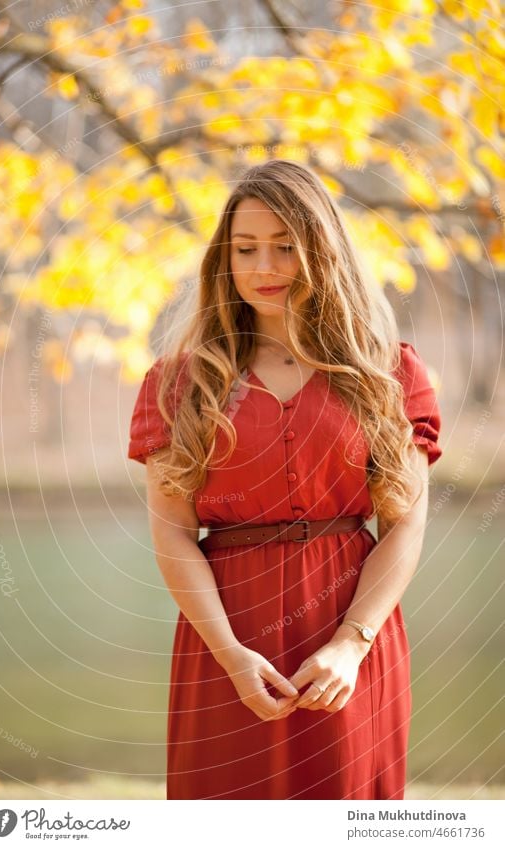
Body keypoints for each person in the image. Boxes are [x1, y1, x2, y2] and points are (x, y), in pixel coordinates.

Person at [127, 158, 443, 800]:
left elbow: (405, 522)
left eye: (284, 248)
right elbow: (173, 536)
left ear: (322, 253)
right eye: (246, 249)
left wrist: (352, 646)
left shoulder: (387, 371)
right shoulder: (180, 382)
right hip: (225, 638)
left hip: (351, 630)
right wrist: (231, 656)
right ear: (224, 258)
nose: (264, 268)